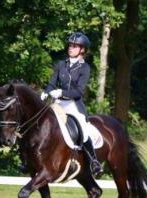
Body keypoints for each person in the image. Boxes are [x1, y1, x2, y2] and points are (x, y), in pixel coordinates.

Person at [41, 32, 103, 177]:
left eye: (74, 46)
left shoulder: (85, 68)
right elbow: (51, 83)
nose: (70, 48)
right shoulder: (61, 64)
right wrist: (46, 92)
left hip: (73, 105)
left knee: (83, 128)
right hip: (57, 103)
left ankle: (94, 161)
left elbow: (79, 92)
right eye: (70, 45)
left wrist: (61, 92)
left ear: (82, 49)